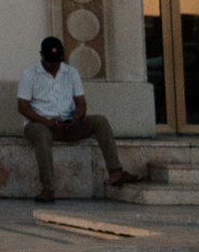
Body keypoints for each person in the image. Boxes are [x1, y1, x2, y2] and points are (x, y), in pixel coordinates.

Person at [16, 34, 135, 200]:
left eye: (57, 61)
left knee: (100, 121)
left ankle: (116, 172)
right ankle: (48, 189)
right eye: (50, 61)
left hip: (67, 124)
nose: (54, 65)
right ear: (41, 56)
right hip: (39, 123)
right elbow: (22, 107)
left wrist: (77, 118)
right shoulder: (30, 74)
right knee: (42, 135)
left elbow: (81, 103)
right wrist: (47, 122)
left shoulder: (71, 73)